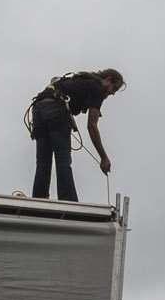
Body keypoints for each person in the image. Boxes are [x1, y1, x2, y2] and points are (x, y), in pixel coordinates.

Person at [27, 68, 124, 201]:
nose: (112, 93)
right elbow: (92, 126)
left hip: (38, 110)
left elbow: (54, 79)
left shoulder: (80, 80)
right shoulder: (97, 89)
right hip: (56, 112)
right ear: (107, 80)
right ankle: (68, 200)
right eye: (114, 88)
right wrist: (104, 158)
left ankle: (39, 199)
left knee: (43, 162)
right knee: (63, 160)